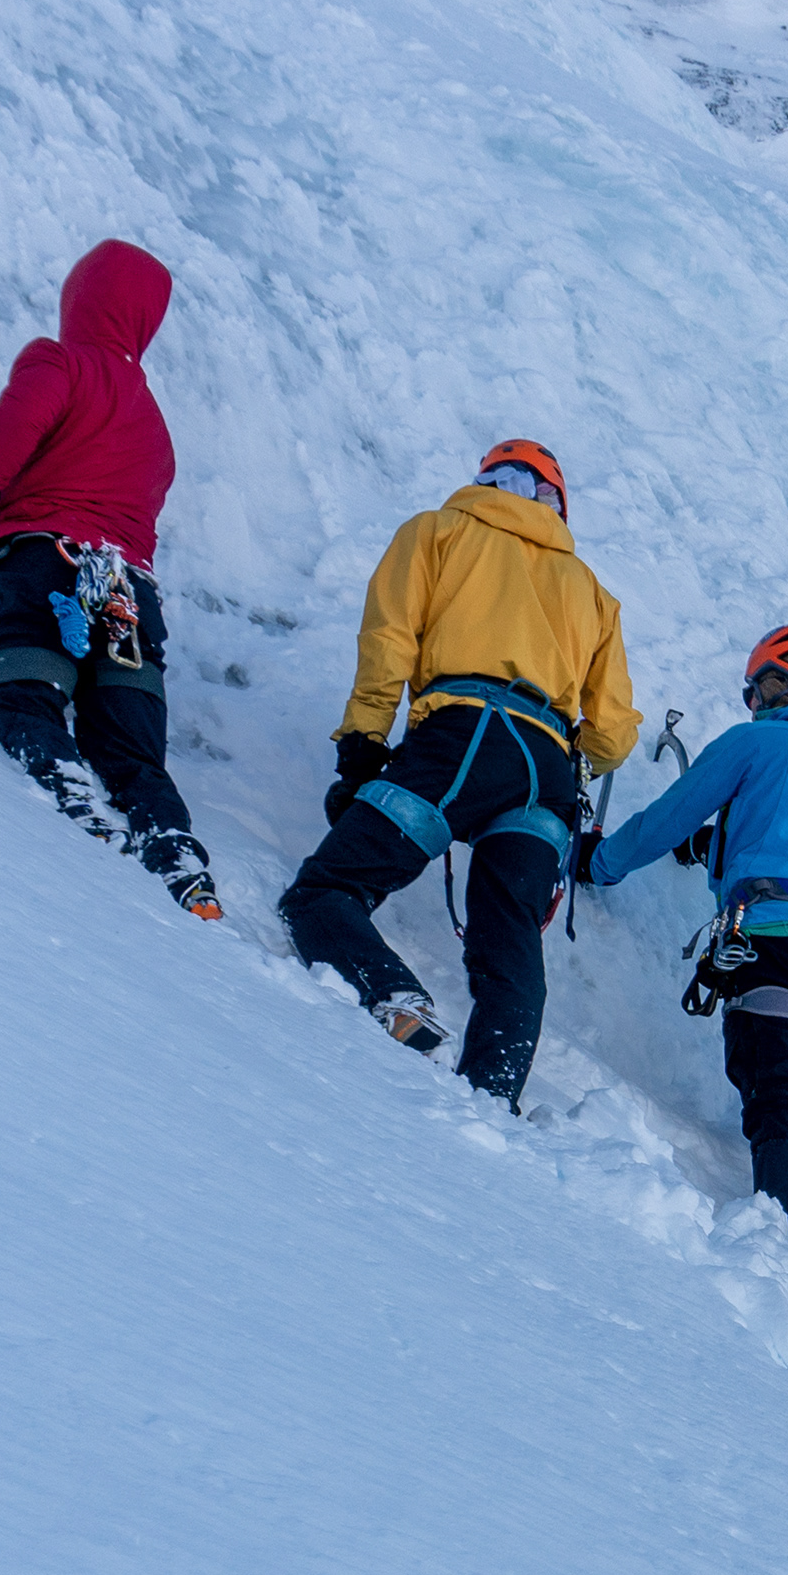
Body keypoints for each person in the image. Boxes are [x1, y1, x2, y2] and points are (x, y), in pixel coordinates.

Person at [282, 442, 640, 1110]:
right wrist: (575, 741)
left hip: (463, 738)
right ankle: (491, 1095)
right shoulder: (592, 591)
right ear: (555, 504)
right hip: (547, 773)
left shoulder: (439, 531)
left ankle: (395, 994)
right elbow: (614, 737)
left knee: (324, 892)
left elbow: (389, 641)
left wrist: (363, 745)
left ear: (487, 483)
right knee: (508, 946)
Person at [0, 238, 221, 917]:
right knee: (129, 737)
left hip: (49, 563)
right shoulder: (154, 424)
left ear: (80, 298)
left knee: (22, 685)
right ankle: (175, 850)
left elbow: (14, 431)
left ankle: (64, 789)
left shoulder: (61, 363)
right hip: (124, 588)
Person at [586, 626, 788, 1265]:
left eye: (754, 691)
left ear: (774, 685)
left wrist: (598, 862)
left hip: (772, 945)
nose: (752, 704)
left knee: (775, 1097)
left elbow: (669, 816)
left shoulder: (755, 739)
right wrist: (715, 849)